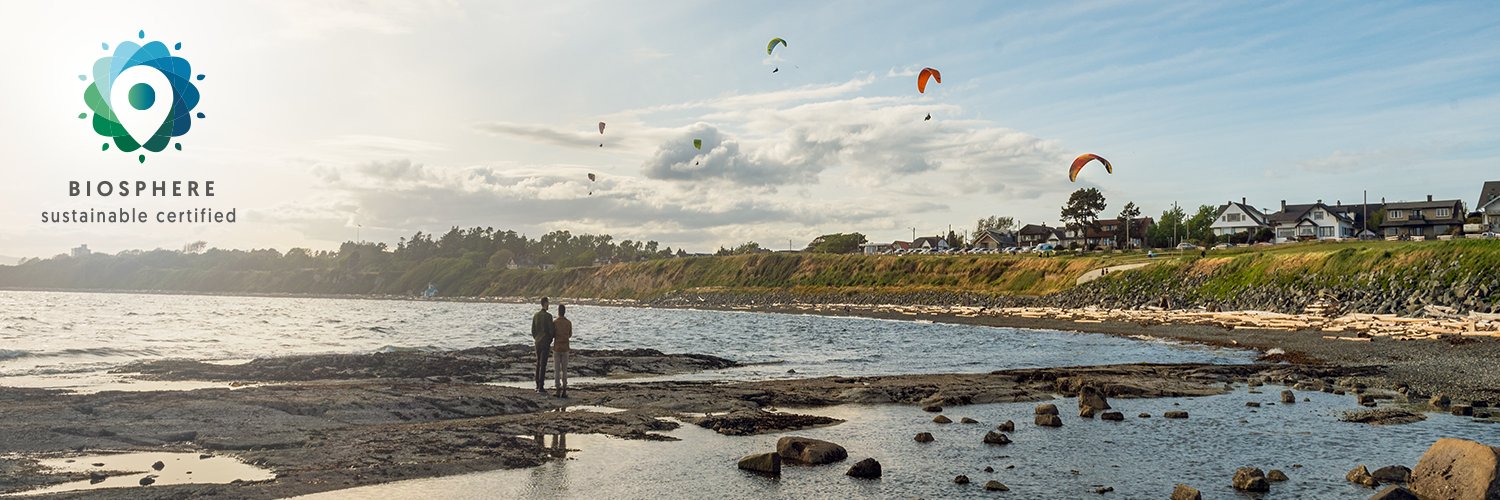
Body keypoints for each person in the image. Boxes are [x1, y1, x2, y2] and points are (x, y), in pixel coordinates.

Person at [531, 297, 555, 395]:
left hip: (537, 341)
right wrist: (550, 339)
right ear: (545, 303)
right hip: (545, 341)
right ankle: (541, 386)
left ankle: (537, 384)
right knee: (543, 364)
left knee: (538, 362)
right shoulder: (548, 316)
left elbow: (533, 330)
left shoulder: (536, 315)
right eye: (548, 303)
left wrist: (536, 338)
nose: (549, 304)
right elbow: (551, 330)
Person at [552, 304, 573, 398]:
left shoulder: (555, 322)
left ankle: (557, 389)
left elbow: (552, 334)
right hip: (565, 348)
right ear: (564, 312)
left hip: (557, 347)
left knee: (557, 370)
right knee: (564, 370)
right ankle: (564, 389)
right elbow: (570, 335)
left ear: (558, 311)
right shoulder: (568, 323)